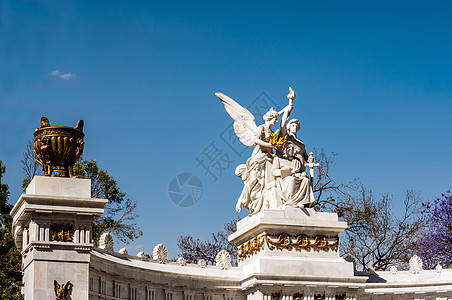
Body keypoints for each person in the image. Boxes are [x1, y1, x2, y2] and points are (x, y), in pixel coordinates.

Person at [272, 141, 315, 208]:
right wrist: (283, 171)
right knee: (292, 180)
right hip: (284, 179)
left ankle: (302, 202)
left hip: (297, 177)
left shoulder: (297, 160)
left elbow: (301, 171)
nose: (290, 150)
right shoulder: (278, 159)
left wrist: (303, 174)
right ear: (285, 150)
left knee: (306, 180)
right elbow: (274, 172)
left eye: (292, 149)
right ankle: (291, 202)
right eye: (288, 148)